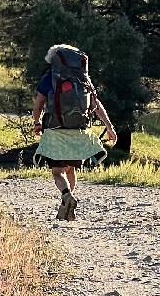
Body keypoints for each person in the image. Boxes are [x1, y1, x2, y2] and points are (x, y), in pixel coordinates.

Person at [31, 44, 118, 221]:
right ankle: (66, 206)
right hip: (79, 131)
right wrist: (109, 127)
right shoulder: (84, 80)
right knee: (70, 170)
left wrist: (37, 122)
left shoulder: (50, 78)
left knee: (57, 172)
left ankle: (66, 196)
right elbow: (96, 105)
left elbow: (39, 104)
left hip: (56, 130)